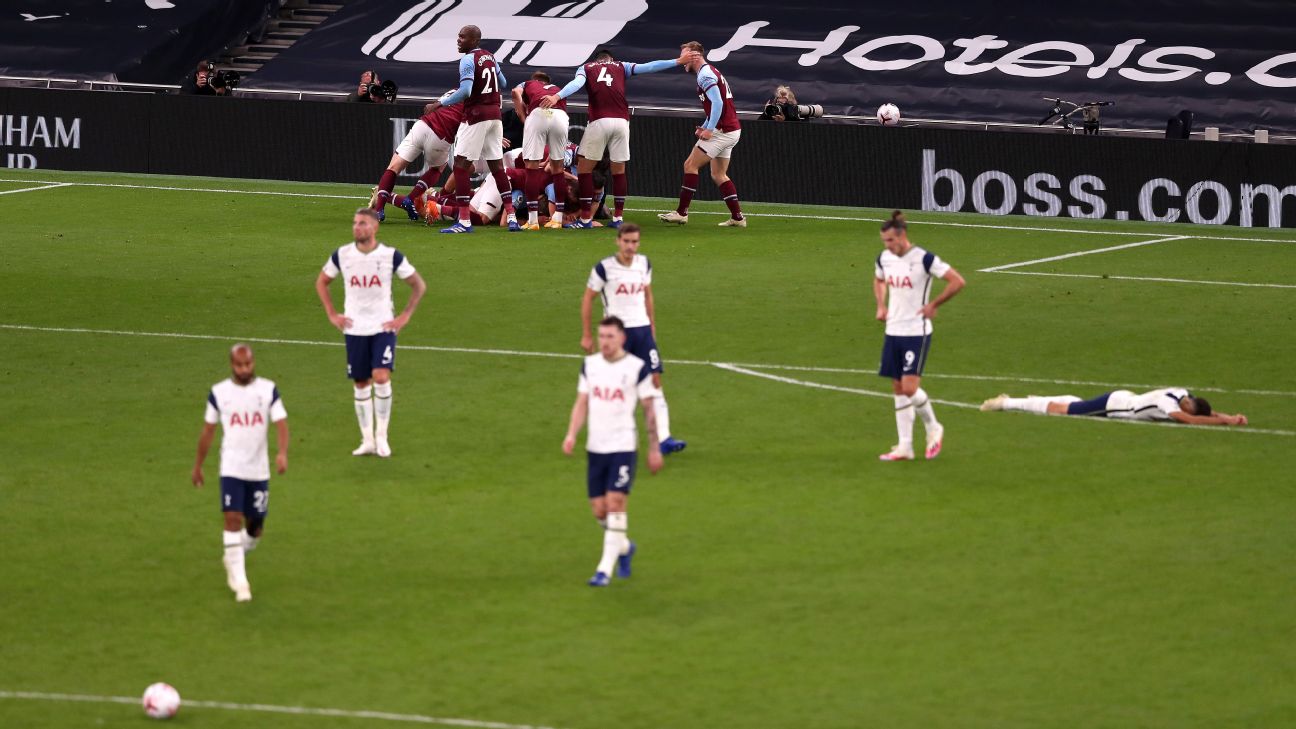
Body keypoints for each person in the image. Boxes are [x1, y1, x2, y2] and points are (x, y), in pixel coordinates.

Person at [537, 47, 695, 229]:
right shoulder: (622, 66)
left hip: (599, 121)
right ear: (611, 59)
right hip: (622, 122)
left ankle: (586, 219)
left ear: (597, 60)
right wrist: (677, 61)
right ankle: (618, 218)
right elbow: (649, 67)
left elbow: (577, 84)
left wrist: (556, 96)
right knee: (619, 171)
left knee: (584, 170)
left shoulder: (586, 68)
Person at [314, 209, 427, 457]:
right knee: (361, 382)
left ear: (375, 227)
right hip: (354, 328)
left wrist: (405, 316)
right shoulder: (342, 255)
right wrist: (332, 314)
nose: (357, 227)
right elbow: (322, 281)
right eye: (355, 223)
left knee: (381, 376)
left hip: (382, 327)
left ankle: (382, 437)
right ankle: (367, 440)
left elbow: (418, 284)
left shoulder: (390, 256)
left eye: (362, 223)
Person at [562, 316, 664, 587]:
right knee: (600, 510)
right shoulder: (590, 366)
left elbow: (649, 410)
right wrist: (571, 434)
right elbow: (581, 402)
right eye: (601, 336)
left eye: (610, 336)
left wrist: (654, 448)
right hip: (596, 447)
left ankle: (604, 570)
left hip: (623, 446)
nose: (604, 342)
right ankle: (625, 547)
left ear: (622, 338)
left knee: (616, 503)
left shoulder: (636, 368)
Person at [191, 344, 288, 603]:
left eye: (248, 364)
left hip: (259, 470)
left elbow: (281, 423)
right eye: (239, 365)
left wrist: (282, 453)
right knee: (232, 518)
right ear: (232, 365)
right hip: (231, 468)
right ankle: (241, 582)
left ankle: (233, 555)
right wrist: (198, 465)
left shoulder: (267, 390)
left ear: (253, 363)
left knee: (255, 529)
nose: (244, 369)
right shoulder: (219, 393)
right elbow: (208, 431)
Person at [581, 223, 686, 454]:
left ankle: (664, 438)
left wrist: (652, 325)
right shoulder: (604, 268)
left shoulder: (643, 264)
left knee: (655, 380)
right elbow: (588, 298)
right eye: (626, 241)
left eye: (634, 242)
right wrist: (587, 334)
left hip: (643, 332)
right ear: (618, 241)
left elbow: (648, 295)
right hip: (617, 335)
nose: (630, 246)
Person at [873, 210, 966, 461]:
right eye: (884, 241)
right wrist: (881, 305)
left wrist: (934, 304)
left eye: (891, 240)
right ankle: (905, 446)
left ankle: (933, 426)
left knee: (909, 387)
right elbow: (879, 279)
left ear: (902, 235)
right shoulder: (884, 258)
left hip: (916, 331)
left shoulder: (924, 259)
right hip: (893, 330)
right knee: (897, 387)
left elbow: (957, 281)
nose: (887, 245)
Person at [423, 25, 520, 234]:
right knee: (497, 167)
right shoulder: (490, 56)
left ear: (475, 40)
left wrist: (439, 103)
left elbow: (466, 91)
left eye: (463, 37)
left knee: (460, 167)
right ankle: (512, 217)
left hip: (476, 116)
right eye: (458, 36)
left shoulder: (467, 60)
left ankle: (464, 221)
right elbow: (503, 82)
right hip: (495, 116)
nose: (458, 40)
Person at [659, 42, 746, 227]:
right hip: (732, 130)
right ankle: (738, 218)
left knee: (690, 165)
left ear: (695, 55)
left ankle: (681, 213)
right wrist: (705, 125)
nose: (682, 61)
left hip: (722, 131)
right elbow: (715, 105)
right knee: (719, 174)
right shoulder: (709, 71)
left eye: (684, 56)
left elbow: (718, 103)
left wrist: (710, 129)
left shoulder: (705, 75)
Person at [368, 97, 464, 222]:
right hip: (441, 135)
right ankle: (411, 198)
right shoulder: (475, 102)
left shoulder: (454, 92)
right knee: (437, 169)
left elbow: (432, 106)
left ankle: (379, 209)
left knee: (393, 167)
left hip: (422, 125)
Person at [980, 389, 1248, 425]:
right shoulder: (1169, 405)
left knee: (1076, 404)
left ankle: (1037, 398)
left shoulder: (1182, 393)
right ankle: (1005, 403)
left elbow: (1202, 413)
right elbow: (1190, 419)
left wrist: (1230, 416)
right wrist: (1224, 421)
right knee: (1061, 411)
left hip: (1122, 398)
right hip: (1115, 407)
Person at [511, 71, 570, 230]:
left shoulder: (528, 84)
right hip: (560, 117)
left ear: (535, 80)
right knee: (558, 168)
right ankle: (557, 219)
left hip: (538, 114)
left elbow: (515, 92)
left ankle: (533, 221)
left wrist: (523, 116)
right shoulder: (557, 89)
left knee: (531, 168)